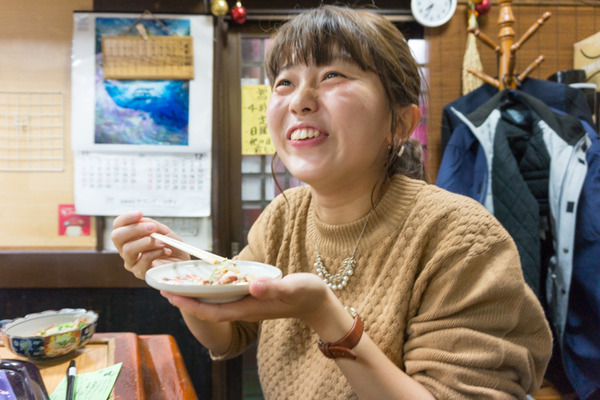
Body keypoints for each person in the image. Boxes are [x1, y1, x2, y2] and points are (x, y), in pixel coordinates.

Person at [111, 5, 552, 399]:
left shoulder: (461, 239)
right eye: (285, 82)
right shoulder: (285, 216)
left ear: (399, 123)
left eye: (332, 76)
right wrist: (181, 279)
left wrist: (327, 318)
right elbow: (227, 335)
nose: (299, 101)